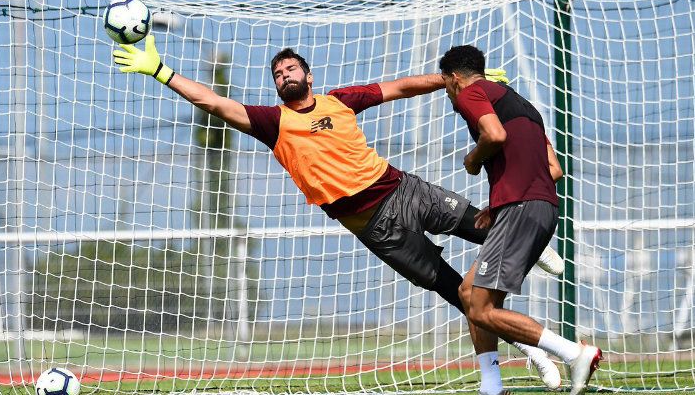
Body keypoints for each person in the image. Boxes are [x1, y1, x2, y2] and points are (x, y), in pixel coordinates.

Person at [112, 37, 564, 393]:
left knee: (478, 221)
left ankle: (530, 246)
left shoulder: (340, 100)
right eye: (277, 73)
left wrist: (461, 81)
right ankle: (521, 359)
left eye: (290, 67)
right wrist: (160, 70)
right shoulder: (273, 122)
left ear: (308, 74)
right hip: (376, 227)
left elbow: (401, 88)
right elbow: (214, 103)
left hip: (404, 189)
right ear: (276, 86)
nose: (284, 74)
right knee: (459, 293)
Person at [438, 44, 602, 395]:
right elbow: (554, 170)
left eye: (446, 86)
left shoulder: (471, 92)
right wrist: (499, 203)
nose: (450, 95)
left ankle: (573, 353)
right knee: (470, 294)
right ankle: (492, 386)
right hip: (542, 208)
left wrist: (473, 159)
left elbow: (494, 136)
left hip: (521, 207)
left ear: (453, 79)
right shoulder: (525, 107)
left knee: (480, 310)